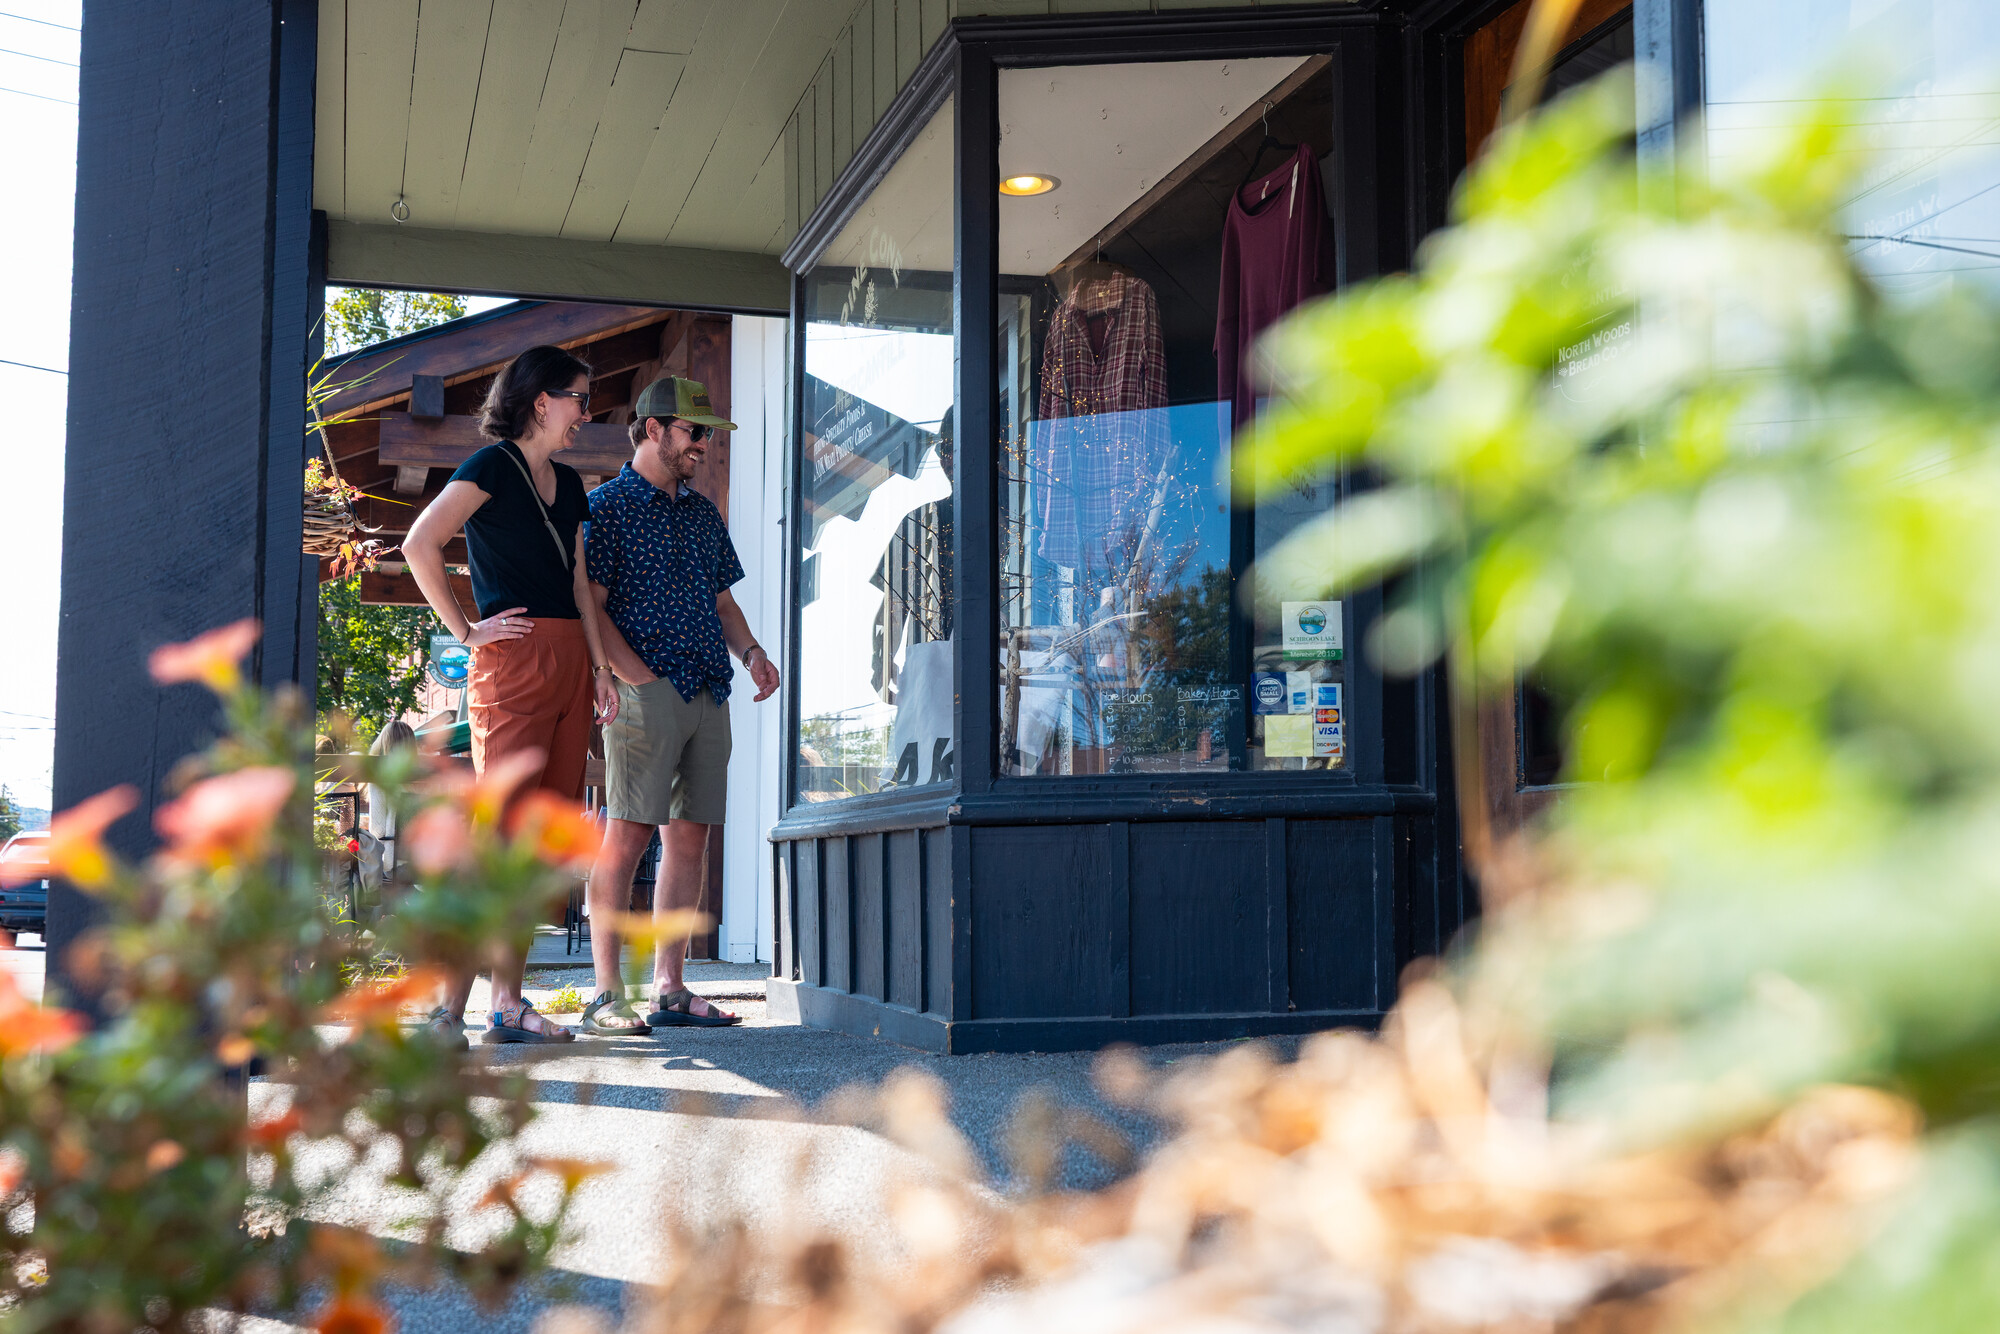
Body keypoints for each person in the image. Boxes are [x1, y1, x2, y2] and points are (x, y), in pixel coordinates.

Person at [403, 344, 619, 1045]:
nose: (586, 412)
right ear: (541, 401)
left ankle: (506, 1005)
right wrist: (466, 631)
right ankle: (446, 1011)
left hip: (569, 665)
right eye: (580, 399)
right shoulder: (490, 466)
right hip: (514, 659)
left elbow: (581, 586)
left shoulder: (573, 483)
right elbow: (419, 543)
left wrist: (600, 669)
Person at [580, 375, 779, 1035]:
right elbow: (594, 606)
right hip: (646, 694)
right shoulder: (605, 507)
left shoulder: (701, 512)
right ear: (655, 427)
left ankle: (670, 986)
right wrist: (635, 678)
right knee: (628, 836)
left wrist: (751, 653)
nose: (704, 447)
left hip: (708, 690)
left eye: (708, 436)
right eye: (695, 433)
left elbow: (723, 602)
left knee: (690, 838)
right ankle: (607, 997)